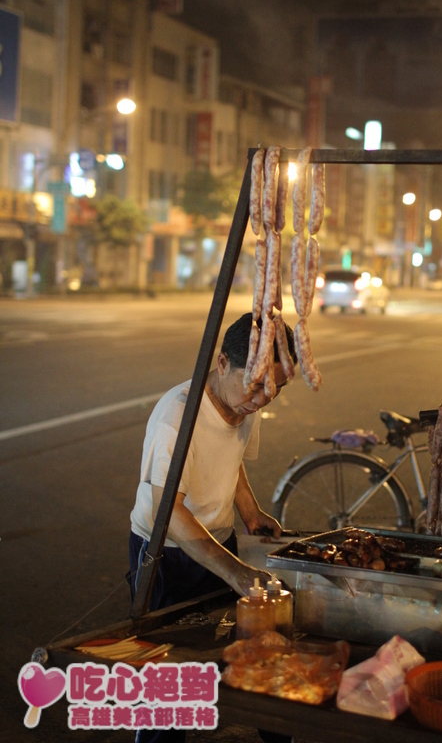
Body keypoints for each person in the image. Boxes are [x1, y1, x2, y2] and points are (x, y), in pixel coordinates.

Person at [129, 312, 298, 743]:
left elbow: (232, 459)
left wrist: (251, 511)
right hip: (168, 556)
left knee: (251, 655)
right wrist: (236, 572)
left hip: (216, 546)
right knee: (172, 682)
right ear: (222, 363)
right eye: (257, 384)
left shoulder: (242, 401)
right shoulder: (177, 419)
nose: (263, 399)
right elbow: (169, 513)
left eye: (274, 389)